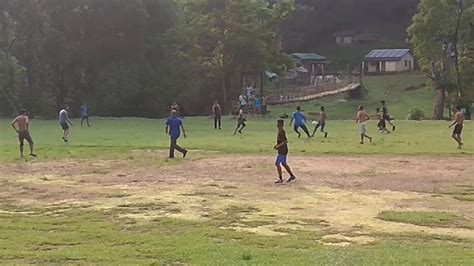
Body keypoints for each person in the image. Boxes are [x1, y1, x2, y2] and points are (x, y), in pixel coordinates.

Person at [274, 119, 296, 184]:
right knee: (283, 163)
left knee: (277, 163)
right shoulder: (279, 131)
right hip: (282, 149)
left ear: (282, 125)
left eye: (279, 124)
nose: (277, 125)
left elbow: (285, 141)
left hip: (283, 150)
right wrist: (277, 145)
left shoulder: (282, 131)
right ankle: (292, 176)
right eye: (277, 123)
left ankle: (280, 178)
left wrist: (279, 146)